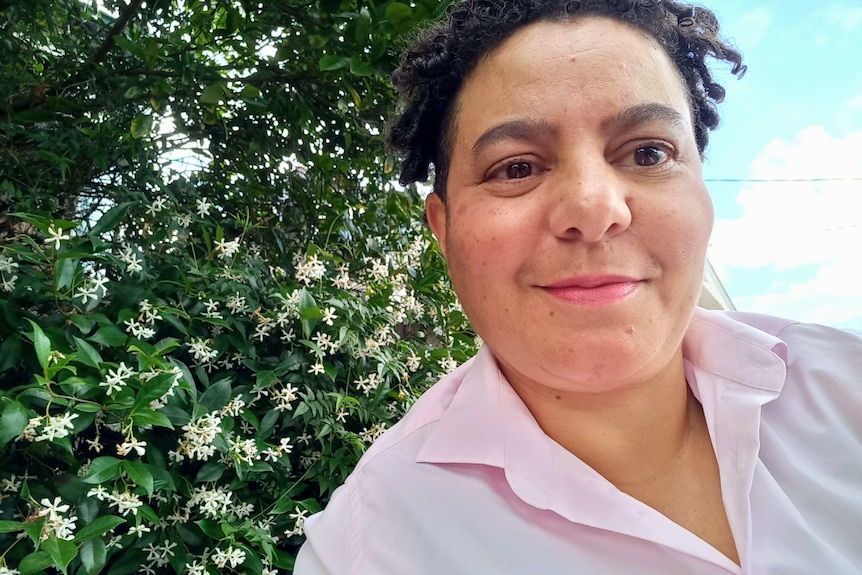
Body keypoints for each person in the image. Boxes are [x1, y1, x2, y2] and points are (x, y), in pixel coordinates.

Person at [295, 0, 862, 573]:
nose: (593, 209)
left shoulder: (846, 388)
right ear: (444, 229)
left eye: (648, 153)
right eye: (516, 167)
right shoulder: (366, 548)